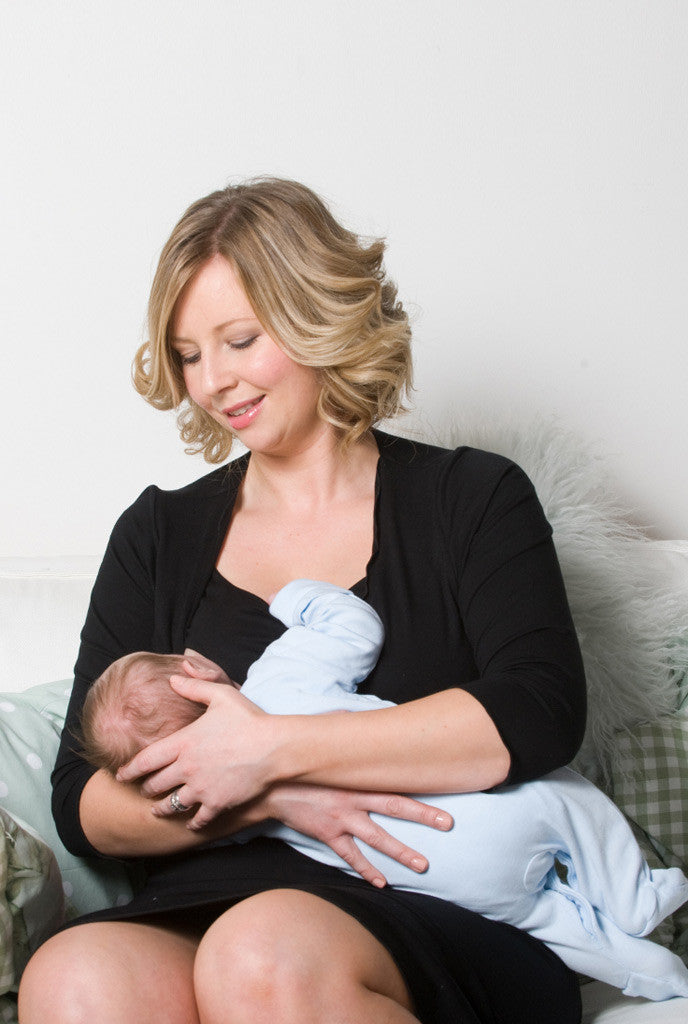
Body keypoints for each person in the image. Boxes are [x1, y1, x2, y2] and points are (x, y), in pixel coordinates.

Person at [19, 177, 590, 1024]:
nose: (213, 382)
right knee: (74, 976)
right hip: (209, 894)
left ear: (316, 314)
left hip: (436, 897)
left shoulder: (472, 497)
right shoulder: (157, 535)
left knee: (261, 958)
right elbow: (83, 801)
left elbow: (540, 708)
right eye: (187, 354)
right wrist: (266, 802)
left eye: (240, 340)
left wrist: (275, 750)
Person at [79, 579, 688, 1000]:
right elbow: (354, 626)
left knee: (546, 919)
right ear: (201, 671)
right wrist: (292, 597)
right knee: (562, 796)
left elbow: (174, 826)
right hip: (478, 815)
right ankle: (631, 894)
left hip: (439, 878)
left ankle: (651, 972)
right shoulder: (279, 673)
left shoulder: (209, 804)